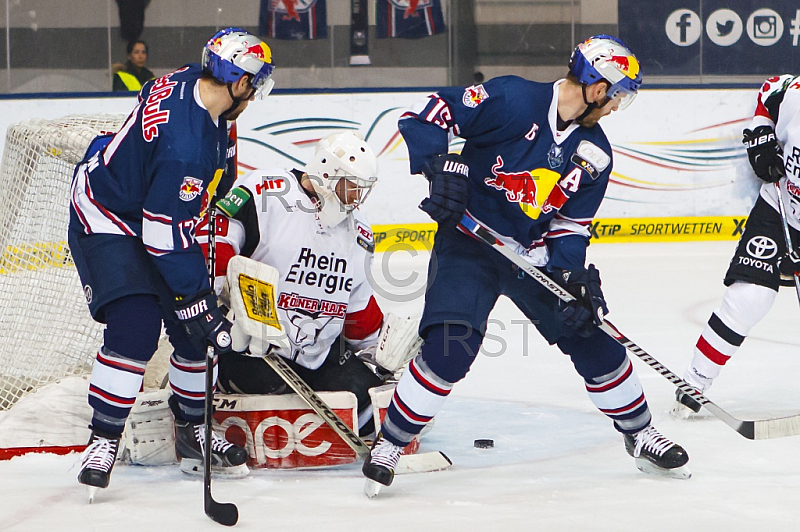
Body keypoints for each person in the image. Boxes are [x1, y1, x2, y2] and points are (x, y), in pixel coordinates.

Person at [361, 35, 691, 494]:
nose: (616, 107)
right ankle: (391, 442)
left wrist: (571, 276)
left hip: (530, 256)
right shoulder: (513, 98)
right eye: (617, 96)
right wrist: (441, 165)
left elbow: (571, 225)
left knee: (590, 334)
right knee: (450, 349)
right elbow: (428, 114)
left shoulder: (595, 152)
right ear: (598, 87)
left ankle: (639, 435)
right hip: (469, 245)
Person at [70, 27, 275, 496]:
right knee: (137, 327)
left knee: (191, 336)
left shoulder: (192, 83)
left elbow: (195, 191)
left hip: (153, 208)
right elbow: (161, 235)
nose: (255, 93)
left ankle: (191, 429)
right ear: (240, 83)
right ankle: (103, 439)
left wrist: (192, 306)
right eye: (255, 83)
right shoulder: (187, 146)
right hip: (109, 214)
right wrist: (196, 299)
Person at [202, 132, 420, 438]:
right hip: (247, 347)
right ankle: (202, 394)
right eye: (351, 186)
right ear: (325, 171)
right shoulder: (269, 190)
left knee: (377, 411)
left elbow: (356, 306)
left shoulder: (359, 231)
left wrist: (381, 348)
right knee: (262, 385)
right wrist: (224, 301)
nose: (356, 197)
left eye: (362, 189)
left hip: (316, 355)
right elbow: (216, 237)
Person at [672, 74, 800, 418]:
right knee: (748, 299)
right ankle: (694, 383)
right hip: (779, 209)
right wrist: (761, 132)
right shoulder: (793, 93)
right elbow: (772, 88)